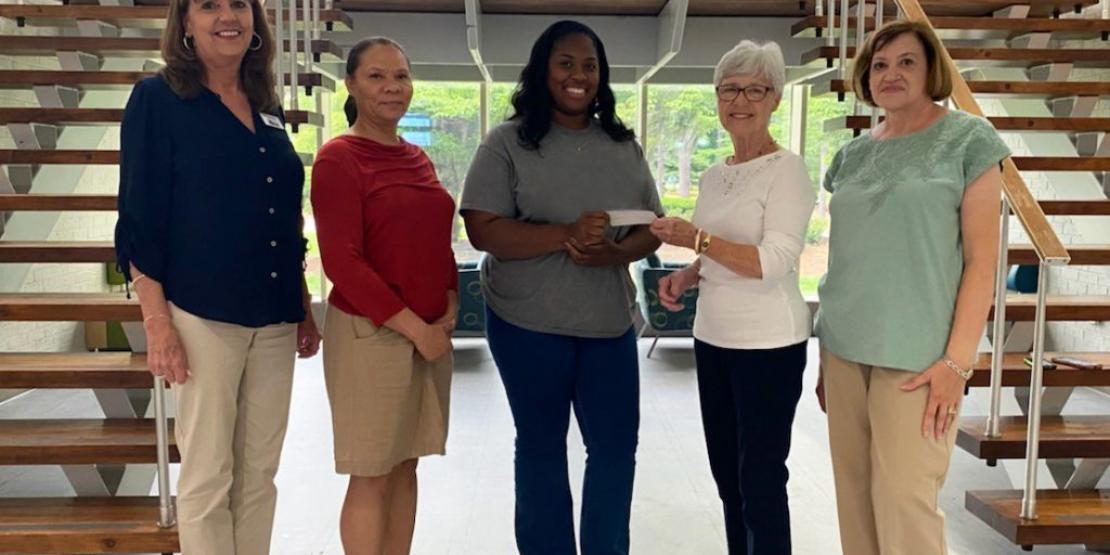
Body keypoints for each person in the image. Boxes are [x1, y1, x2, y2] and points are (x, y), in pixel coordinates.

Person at [114, 0, 321, 551]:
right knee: (207, 477)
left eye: (238, 5)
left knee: (258, 476)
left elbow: (280, 212)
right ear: (185, 22)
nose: (227, 16)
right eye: (209, 6)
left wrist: (301, 301)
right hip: (201, 314)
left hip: (274, 315)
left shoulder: (264, 104)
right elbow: (138, 221)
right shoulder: (157, 100)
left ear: (255, 22)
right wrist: (157, 323)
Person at [459, 19, 663, 555]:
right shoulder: (506, 143)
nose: (579, 76)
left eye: (590, 66)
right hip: (527, 325)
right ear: (542, 71)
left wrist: (617, 252)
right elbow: (483, 230)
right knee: (543, 448)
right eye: (566, 64)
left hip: (608, 325)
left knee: (616, 450)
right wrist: (564, 235)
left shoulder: (623, 146)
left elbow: (650, 227)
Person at [815, 20, 1009, 555]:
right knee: (853, 501)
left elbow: (981, 262)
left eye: (906, 62)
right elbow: (845, 258)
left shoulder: (969, 140)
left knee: (905, 503)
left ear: (931, 72)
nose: (891, 73)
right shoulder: (851, 155)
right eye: (879, 64)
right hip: (844, 349)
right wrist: (824, 354)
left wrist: (957, 363)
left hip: (919, 357)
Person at [649, 40, 816, 555]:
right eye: (728, 89)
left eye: (753, 89)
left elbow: (773, 262)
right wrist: (690, 274)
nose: (739, 100)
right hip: (713, 337)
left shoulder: (787, 169)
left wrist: (694, 241)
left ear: (775, 99)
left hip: (769, 343)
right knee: (727, 478)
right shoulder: (715, 174)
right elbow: (723, 250)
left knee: (761, 481)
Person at [311, 37, 457, 555]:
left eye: (401, 75)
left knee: (407, 462)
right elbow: (343, 265)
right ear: (351, 85)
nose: (393, 87)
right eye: (376, 77)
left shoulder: (416, 157)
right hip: (372, 337)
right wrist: (417, 329)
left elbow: (435, 240)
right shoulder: (338, 158)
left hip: (428, 334)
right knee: (372, 471)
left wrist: (449, 308)